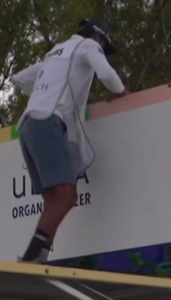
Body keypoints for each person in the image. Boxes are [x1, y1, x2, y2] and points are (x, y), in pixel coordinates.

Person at [12, 17, 129, 264]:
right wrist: (121, 93)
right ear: (98, 37)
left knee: (53, 198)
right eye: (103, 44)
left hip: (27, 126)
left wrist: (44, 93)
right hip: (48, 122)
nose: (101, 48)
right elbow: (106, 73)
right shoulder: (88, 46)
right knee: (66, 196)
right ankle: (31, 258)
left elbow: (20, 79)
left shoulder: (54, 54)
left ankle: (39, 256)